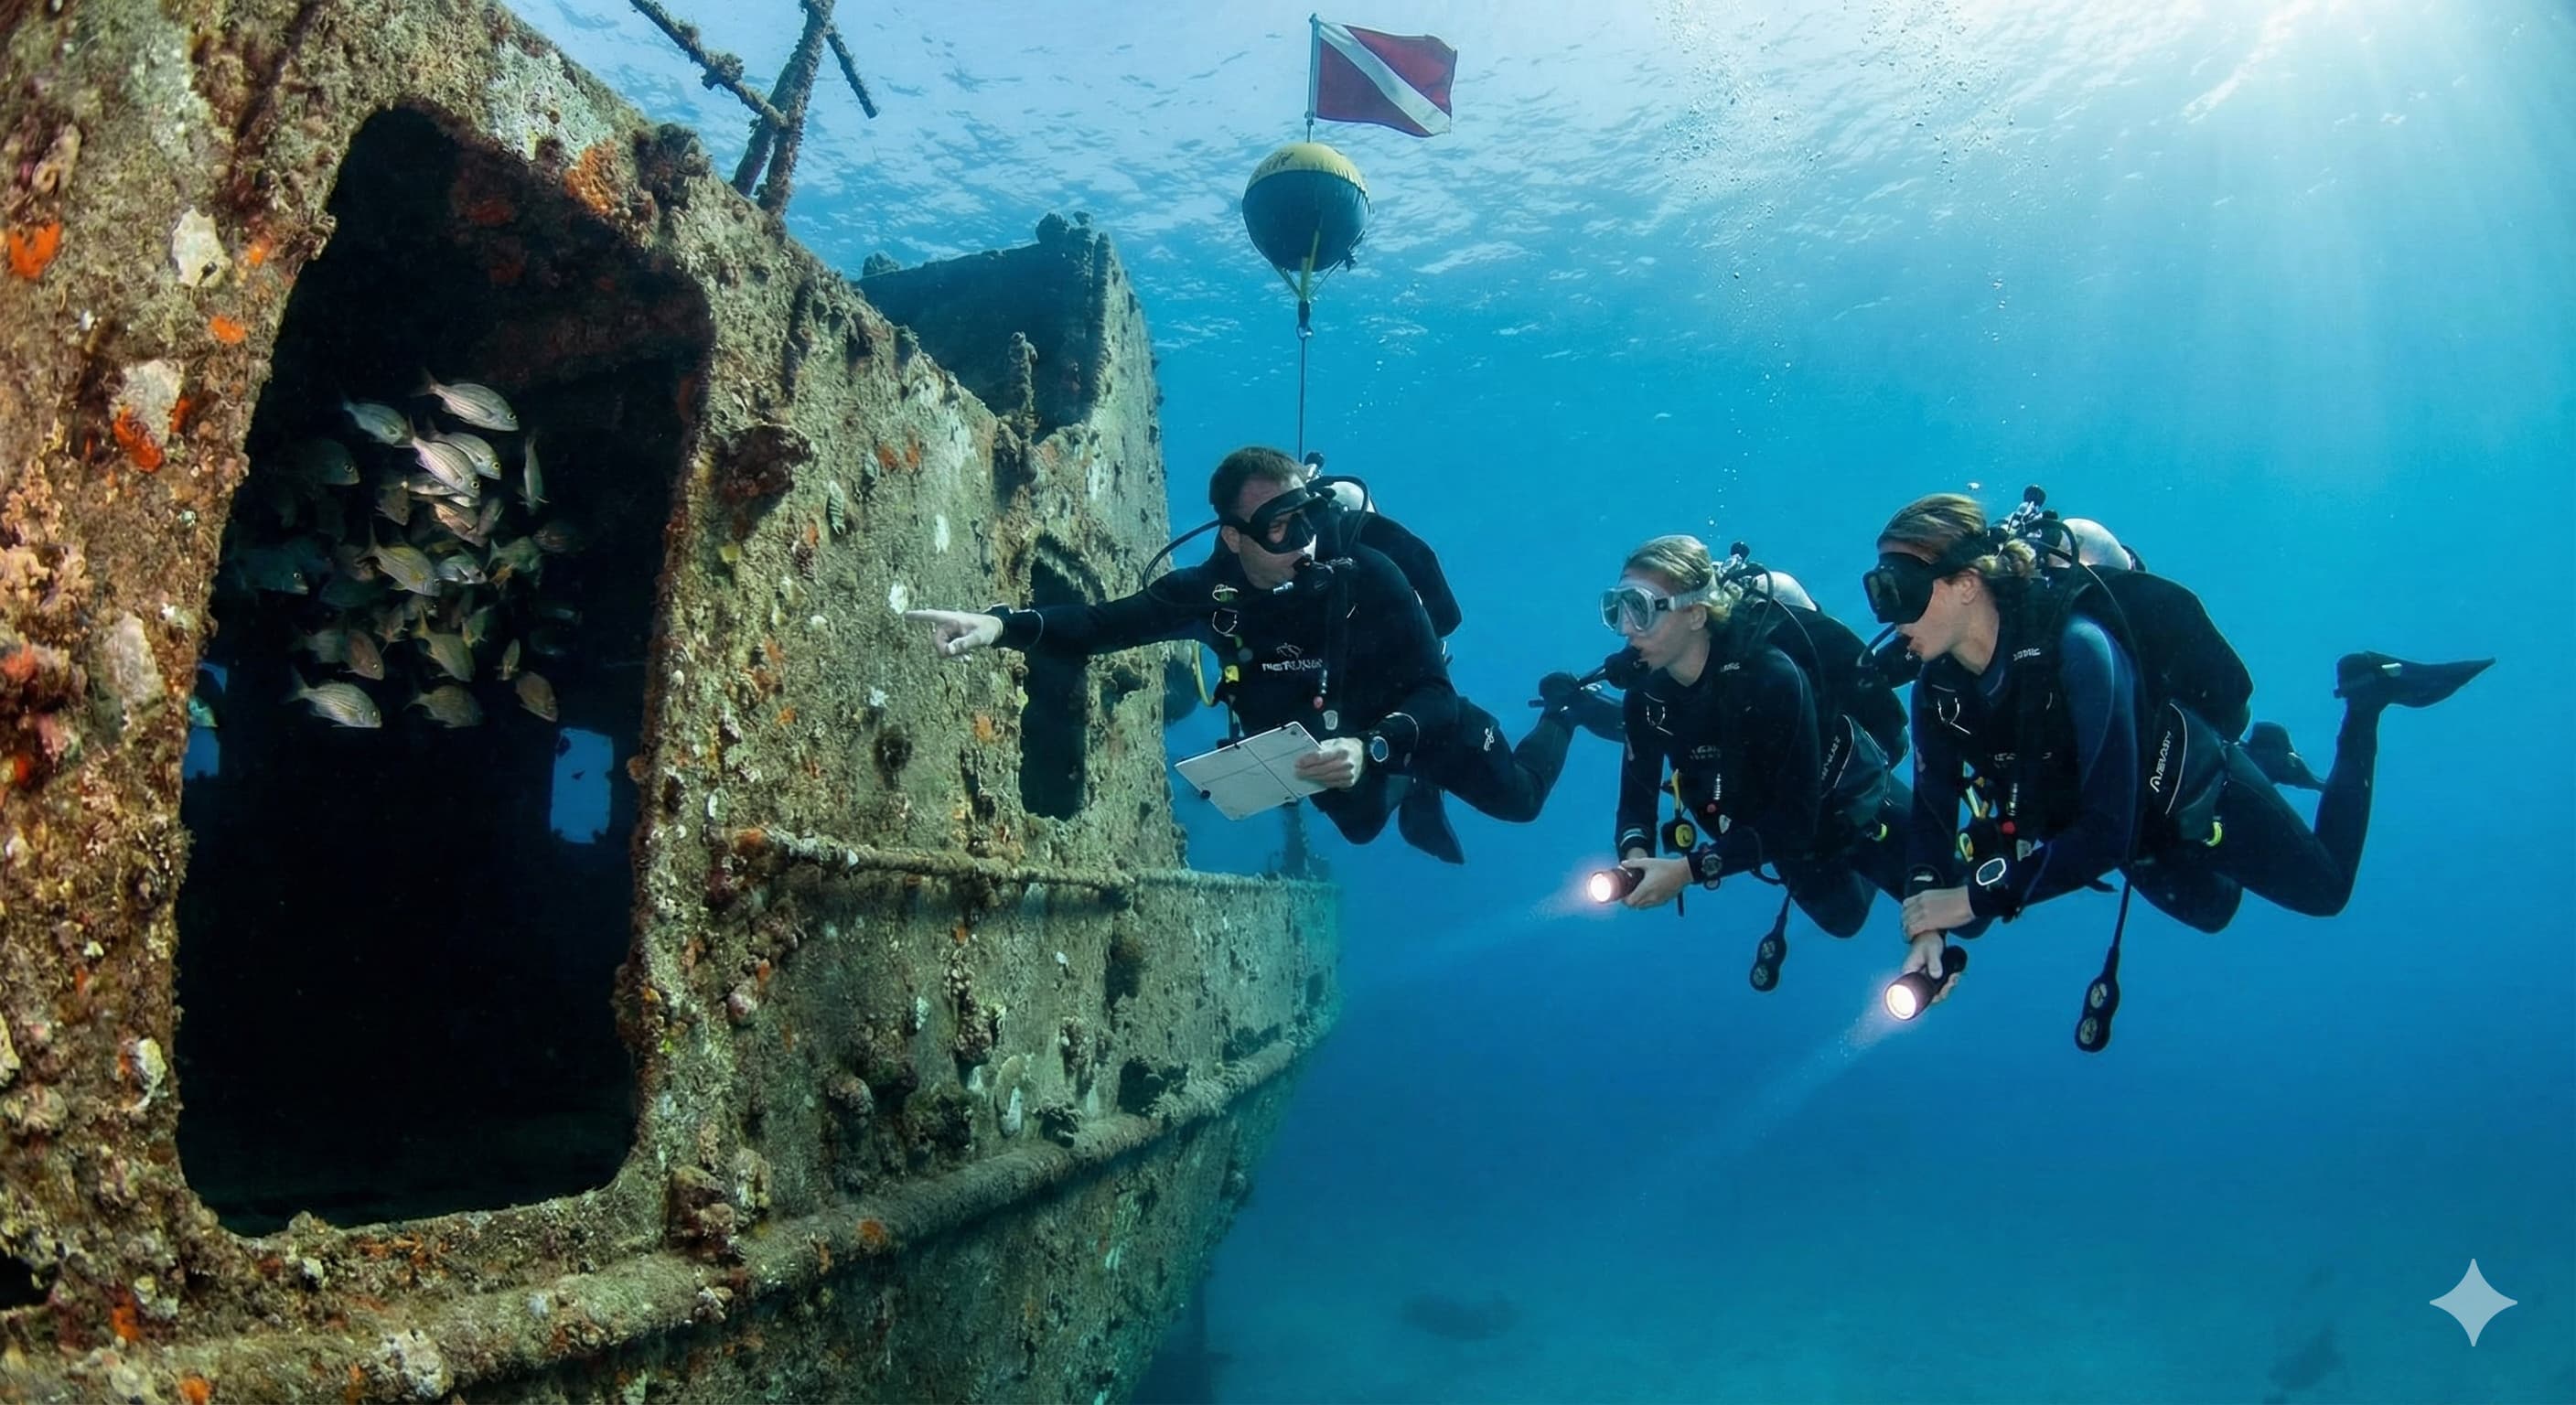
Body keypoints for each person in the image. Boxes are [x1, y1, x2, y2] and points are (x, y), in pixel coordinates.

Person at [1864, 492, 2492, 1009]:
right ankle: (2272, 757)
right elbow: (1932, 812)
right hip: (2135, 837)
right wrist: (1928, 923)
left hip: (2194, 794)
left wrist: (1972, 899)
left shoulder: (2080, 648)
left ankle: (2366, 695)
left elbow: (2105, 831)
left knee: (2325, 891)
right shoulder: (1937, 689)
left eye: (1899, 589)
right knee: (2216, 910)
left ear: (1968, 582)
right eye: (1878, 592)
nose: (1889, 619)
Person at [903, 445, 1577, 862]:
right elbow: (1100, 625)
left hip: (1417, 724)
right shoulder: (1207, 595)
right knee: (1364, 829)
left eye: (1309, 518)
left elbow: (1435, 690)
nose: (1306, 544)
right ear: (1234, 535)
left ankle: (1565, 710)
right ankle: (1410, 788)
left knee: (1519, 803)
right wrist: (1000, 626)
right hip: (1331, 753)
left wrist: (1373, 745)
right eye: (1282, 528)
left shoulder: (1367, 571)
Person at [1581, 535, 1912, 960]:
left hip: (1852, 795)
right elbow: (1636, 800)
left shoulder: (1770, 675)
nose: (1626, 627)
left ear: (1696, 613)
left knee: (1965, 915)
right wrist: (1634, 857)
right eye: (1616, 609)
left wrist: (1685, 872)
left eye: (1640, 608)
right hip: (1770, 830)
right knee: (1844, 920)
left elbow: (1795, 819)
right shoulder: (1647, 697)